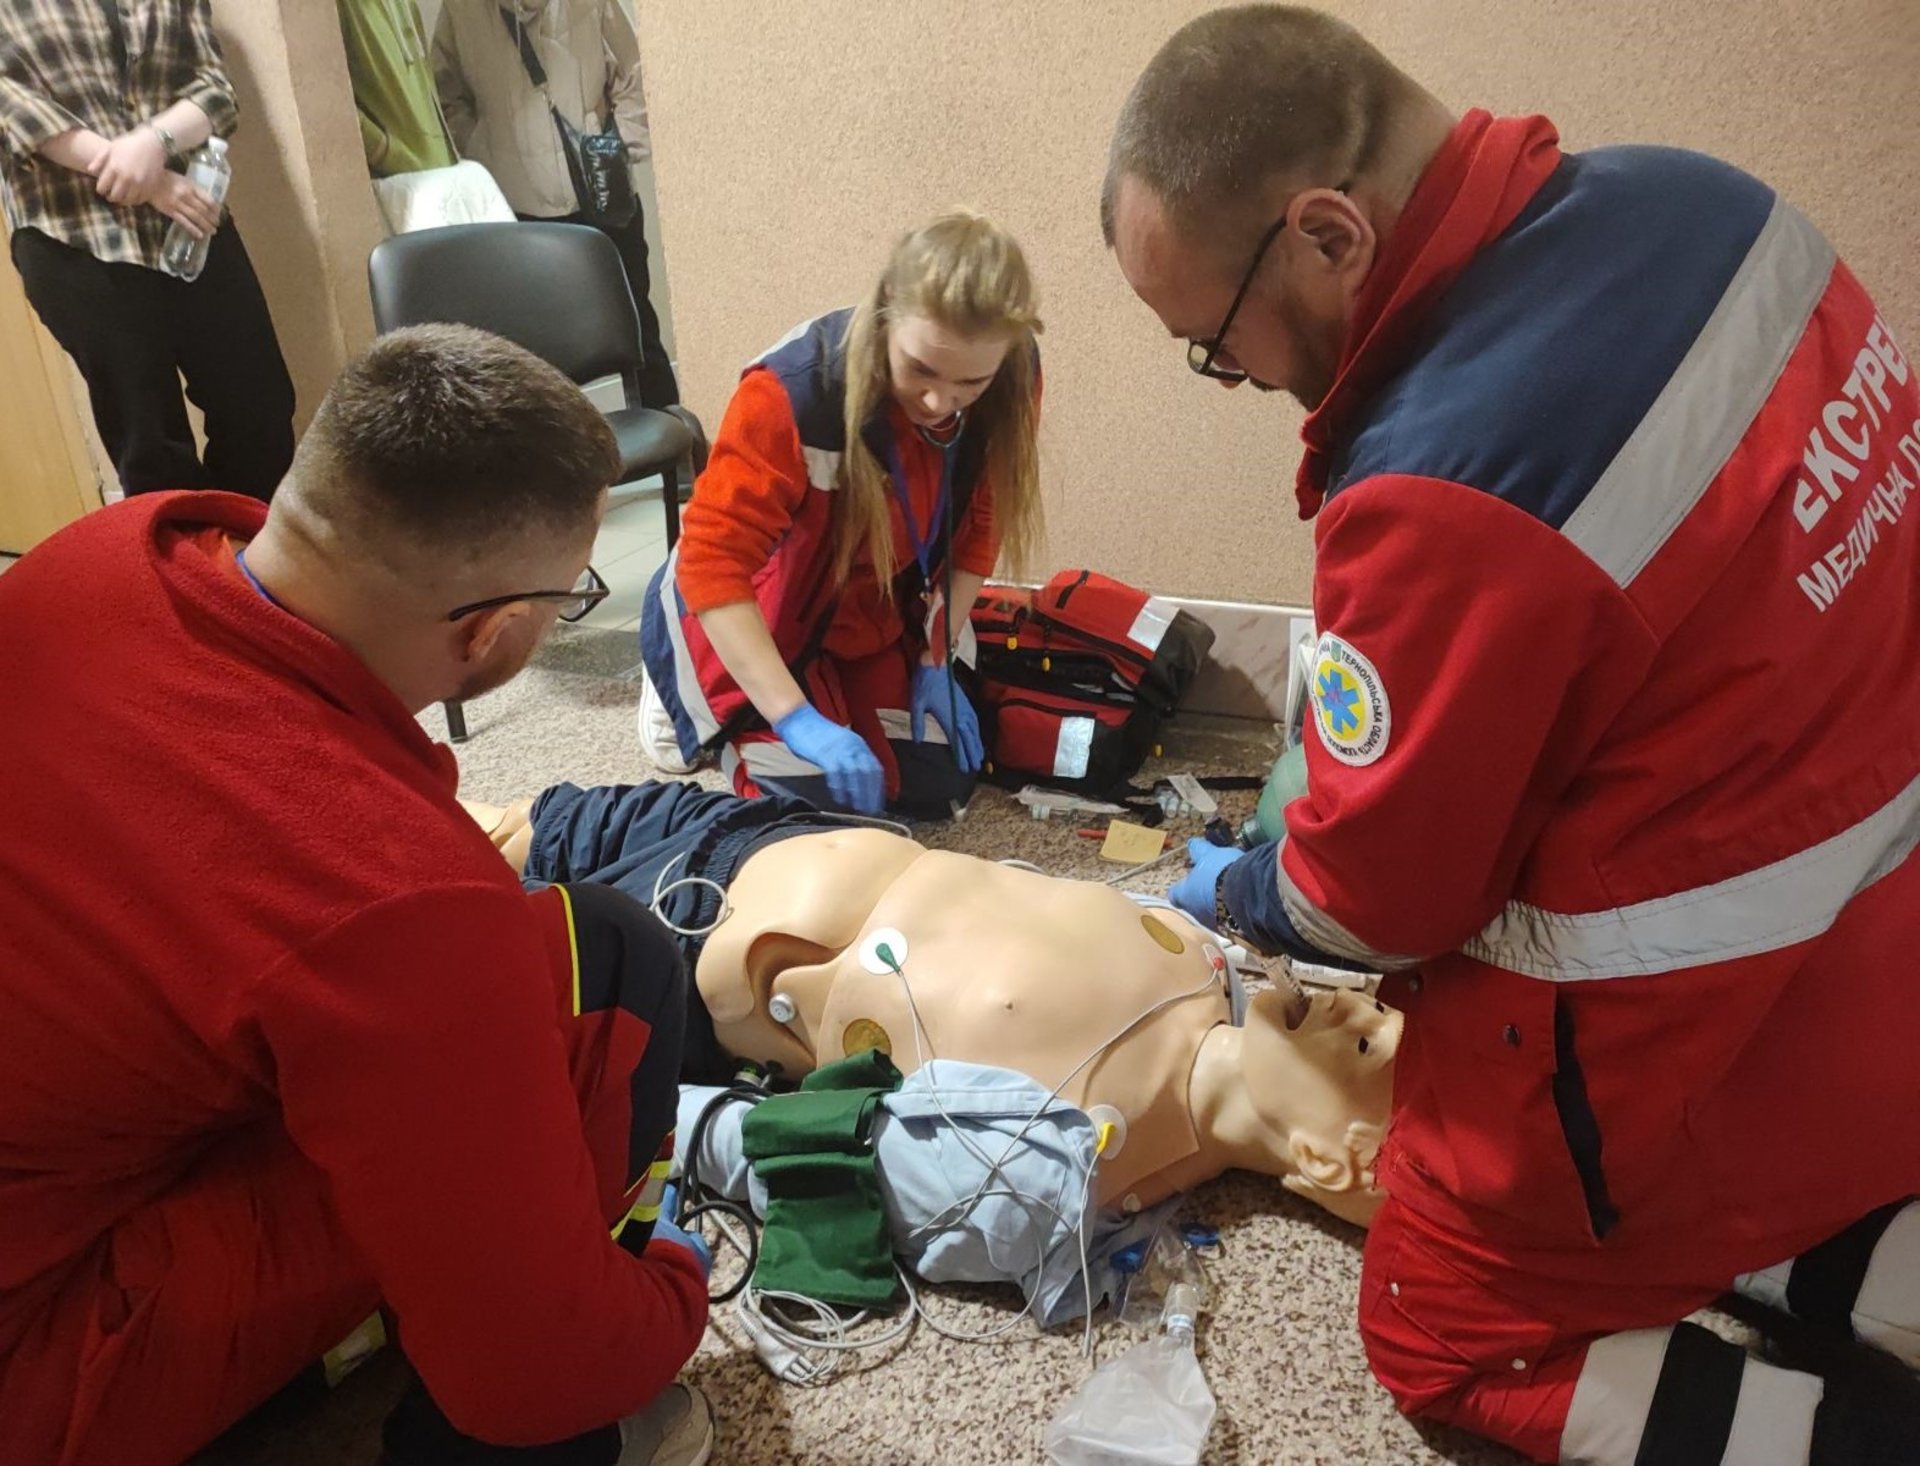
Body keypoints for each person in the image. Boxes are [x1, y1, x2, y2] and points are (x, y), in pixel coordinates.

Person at [1102, 6, 1920, 1463]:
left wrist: (1255, 887)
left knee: (1439, 1322)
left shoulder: (1442, 483)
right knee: (1797, 1158)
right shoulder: (1710, 203)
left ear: (1329, 235)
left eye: (1215, 347)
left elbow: (1379, 902)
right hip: (1880, 928)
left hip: (1701, 1015)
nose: (1239, 382)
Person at [0, 327, 715, 1466]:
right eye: (569, 597)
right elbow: (534, 1373)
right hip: (38, 1360)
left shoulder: (96, 554)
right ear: (490, 632)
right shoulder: (398, 894)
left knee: (580, 943)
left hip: (63, 1146)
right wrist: (671, 1281)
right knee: (586, 1005)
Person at [638, 210, 1045, 818]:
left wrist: (936, 657)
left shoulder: (1013, 376)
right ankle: (674, 682)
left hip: (870, 604)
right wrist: (793, 718)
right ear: (884, 318)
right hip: (765, 603)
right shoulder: (789, 392)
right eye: (920, 369)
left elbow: (981, 526)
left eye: (970, 383)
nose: (939, 402)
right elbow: (713, 565)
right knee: (825, 810)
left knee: (933, 786)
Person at [0, 0, 295, 501]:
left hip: (189, 222)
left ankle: (241, 545)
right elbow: (14, 107)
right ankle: (180, 553)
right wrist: (144, 178)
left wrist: (154, 142)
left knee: (260, 409)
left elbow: (214, 88)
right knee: (152, 447)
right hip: (73, 232)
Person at [432, 0, 678, 412]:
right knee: (536, 353)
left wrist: (617, 148)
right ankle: (561, 451)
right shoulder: (462, 10)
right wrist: (482, 150)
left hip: (603, 198)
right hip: (518, 211)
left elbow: (635, 72)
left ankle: (675, 441)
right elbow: (446, 91)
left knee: (637, 330)